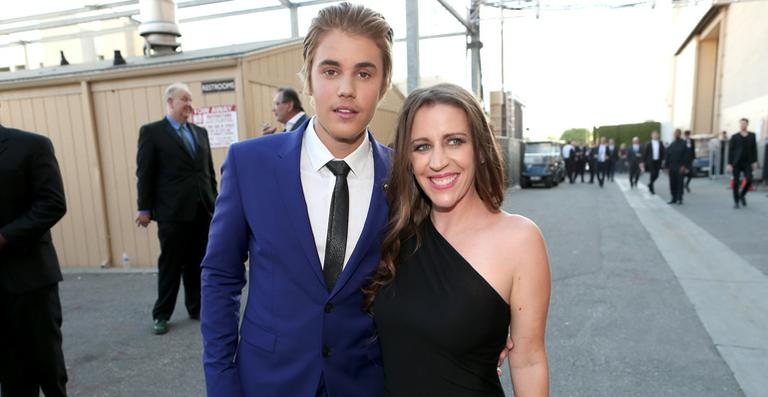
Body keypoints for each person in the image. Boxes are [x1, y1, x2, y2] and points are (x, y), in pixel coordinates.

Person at [201, 4, 394, 396]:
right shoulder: (249, 163)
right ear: (307, 78)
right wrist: (222, 384)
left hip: (366, 384)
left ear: (384, 83)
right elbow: (221, 277)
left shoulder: (404, 176)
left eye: (364, 72)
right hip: (269, 381)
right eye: (330, 70)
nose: (346, 88)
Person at [367, 83, 550, 396]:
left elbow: (529, 360)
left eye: (454, 141)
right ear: (408, 159)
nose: (438, 161)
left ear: (479, 149)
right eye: (422, 146)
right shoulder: (398, 233)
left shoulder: (519, 240)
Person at [135, 82, 218, 335]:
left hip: (202, 209)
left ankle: (196, 307)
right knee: (171, 264)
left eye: (191, 100)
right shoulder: (152, 132)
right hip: (172, 212)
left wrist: (216, 204)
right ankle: (161, 314)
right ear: (170, 102)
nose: (190, 105)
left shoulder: (200, 133)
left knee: (197, 263)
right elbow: (145, 173)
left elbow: (208, 173)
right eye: (185, 100)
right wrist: (144, 208)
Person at [0, 123, 68, 396]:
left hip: (31, 281)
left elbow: (52, 203)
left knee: (48, 370)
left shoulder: (31, 145)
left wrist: (4, 237)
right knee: (10, 374)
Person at [727, 118, 758, 208]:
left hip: (747, 162)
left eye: (744, 124)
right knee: (736, 183)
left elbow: (754, 149)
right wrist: (729, 163)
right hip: (736, 163)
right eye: (741, 124)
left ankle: (742, 195)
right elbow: (731, 151)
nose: (742, 125)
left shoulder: (752, 135)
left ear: (747, 125)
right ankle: (736, 202)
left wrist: (755, 161)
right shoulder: (734, 136)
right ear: (739, 125)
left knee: (749, 179)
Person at [666, 129, 688, 205]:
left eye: (677, 133)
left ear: (680, 134)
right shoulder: (672, 144)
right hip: (672, 166)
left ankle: (679, 198)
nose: (676, 135)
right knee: (672, 183)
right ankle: (673, 198)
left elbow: (686, 156)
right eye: (675, 133)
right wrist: (667, 167)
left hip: (680, 166)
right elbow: (668, 155)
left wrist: (684, 166)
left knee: (680, 183)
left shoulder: (684, 143)